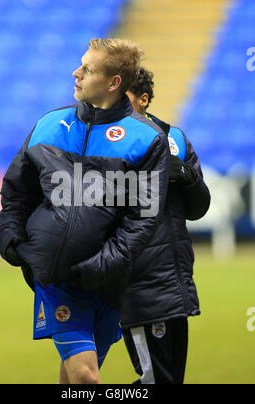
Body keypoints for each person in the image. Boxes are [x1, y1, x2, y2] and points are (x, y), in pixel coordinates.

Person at [0, 40, 171, 384]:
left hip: (107, 283)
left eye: (87, 69)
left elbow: (143, 219)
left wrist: (98, 267)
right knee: (86, 377)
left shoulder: (146, 139)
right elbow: (16, 193)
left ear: (113, 82)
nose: (76, 73)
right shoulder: (48, 124)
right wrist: (11, 241)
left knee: (74, 379)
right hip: (58, 280)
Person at [122, 67, 211, 384]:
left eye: (124, 97)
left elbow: (199, 207)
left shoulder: (175, 139)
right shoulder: (106, 144)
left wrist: (184, 174)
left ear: (143, 100)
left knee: (168, 379)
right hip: (140, 286)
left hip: (175, 282)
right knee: (156, 380)